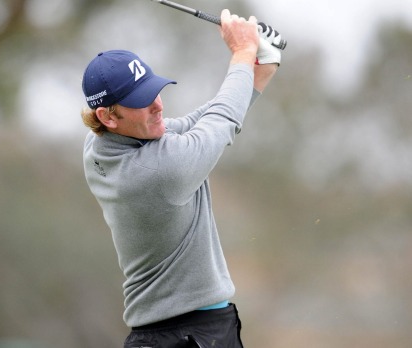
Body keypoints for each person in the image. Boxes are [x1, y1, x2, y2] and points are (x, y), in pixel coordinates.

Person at [80, 9, 282, 348]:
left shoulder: (99, 146)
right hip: (193, 336)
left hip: (162, 336)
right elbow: (219, 123)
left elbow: (203, 119)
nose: (158, 105)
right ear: (108, 116)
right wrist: (243, 53)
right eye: (141, 101)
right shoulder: (159, 172)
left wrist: (257, 68)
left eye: (154, 90)